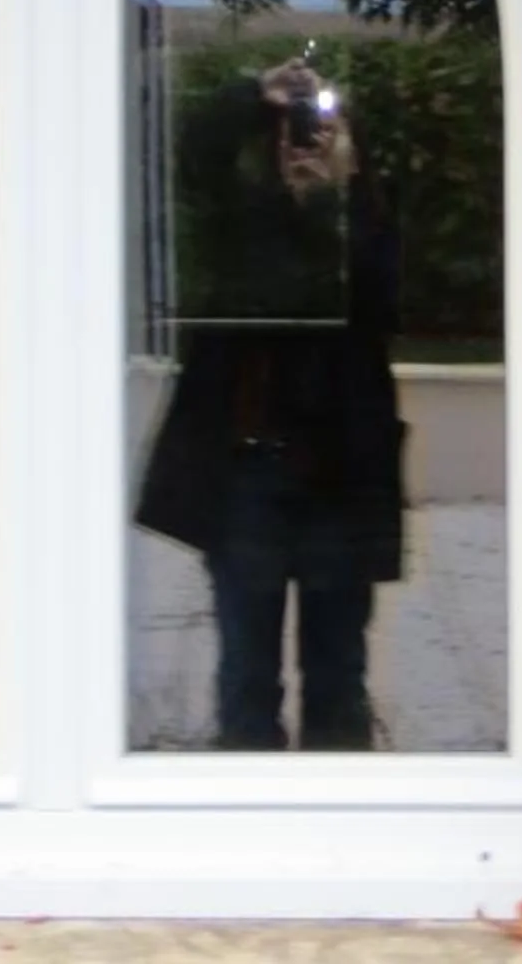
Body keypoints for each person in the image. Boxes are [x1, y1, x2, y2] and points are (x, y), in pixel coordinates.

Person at [134, 56, 404, 752]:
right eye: (293, 138)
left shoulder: (366, 226)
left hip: (341, 482)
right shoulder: (241, 224)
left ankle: (336, 822)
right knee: (247, 678)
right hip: (250, 474)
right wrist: (259, 97)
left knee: (338, 676)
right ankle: (247, 825)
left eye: (317, 137)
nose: (303, 151)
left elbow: (384, 299)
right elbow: (193, 152)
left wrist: (338, 198)